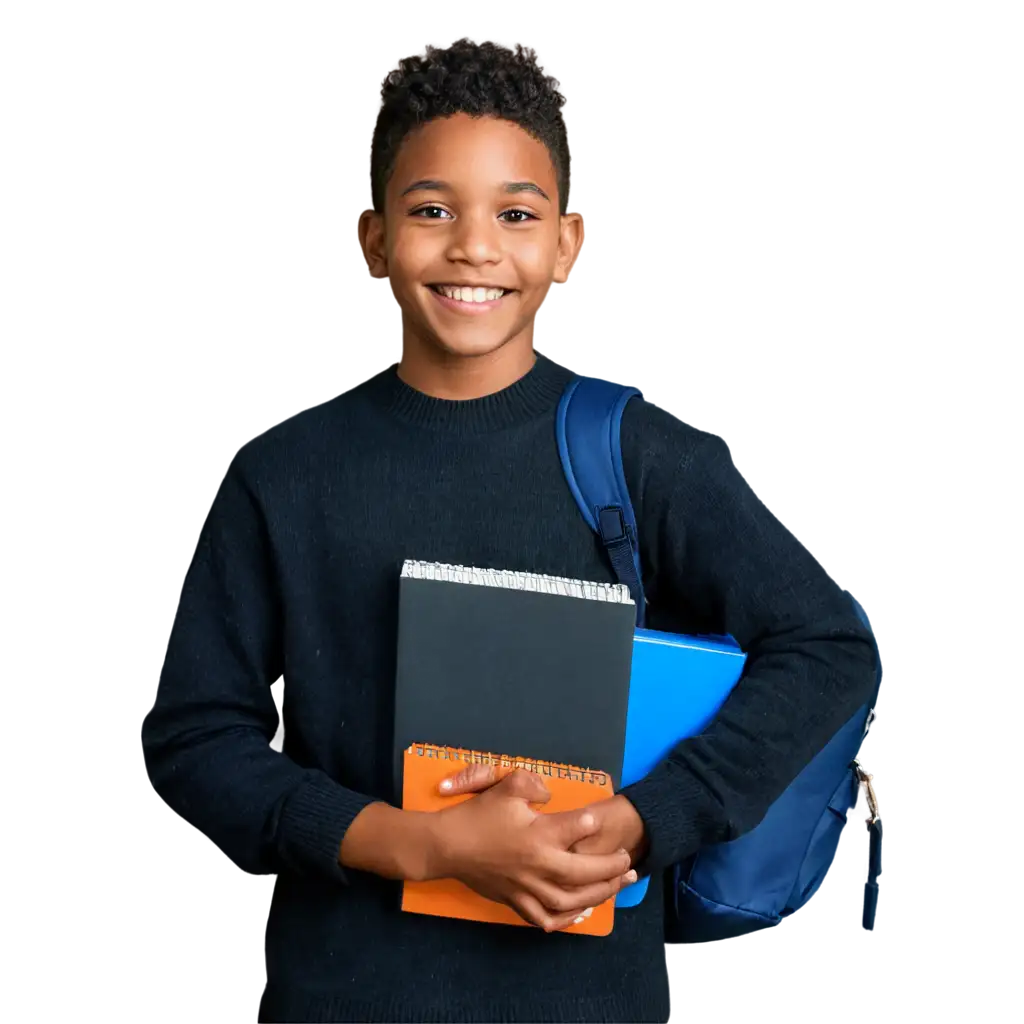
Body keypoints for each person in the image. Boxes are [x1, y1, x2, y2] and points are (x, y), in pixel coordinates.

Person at [137, 39, 878, 1023]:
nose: (473, 247)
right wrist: (421, 845)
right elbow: (195, 738)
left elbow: (828, 650)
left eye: (515, 214)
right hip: (346, 995)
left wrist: (640, 820)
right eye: (430, 209)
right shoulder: (282, 473)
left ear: (565, 242)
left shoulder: (646, 456)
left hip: (585, 1000)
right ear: (370, 236)